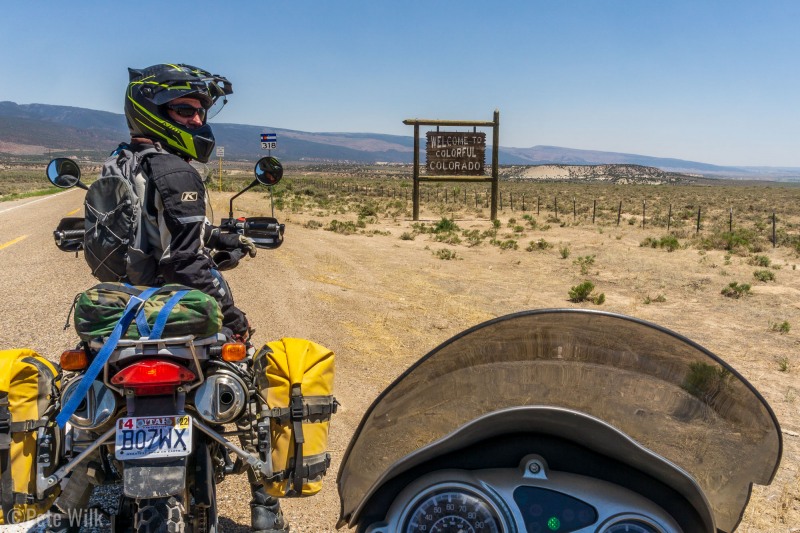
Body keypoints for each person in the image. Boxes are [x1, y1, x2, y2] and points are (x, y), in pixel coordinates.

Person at [50, 64, 289, 533]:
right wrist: (233, 312)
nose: (198, 122)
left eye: (200, 112)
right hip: (171, 311)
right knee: (253, 379)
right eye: (185, 111)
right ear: (151, 111)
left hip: (125, 310)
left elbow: (135, 237)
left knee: (84, 402)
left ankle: (71, 496)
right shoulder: (174, 170)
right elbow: (185, 264)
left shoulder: (120, 161)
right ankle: (266, 504)